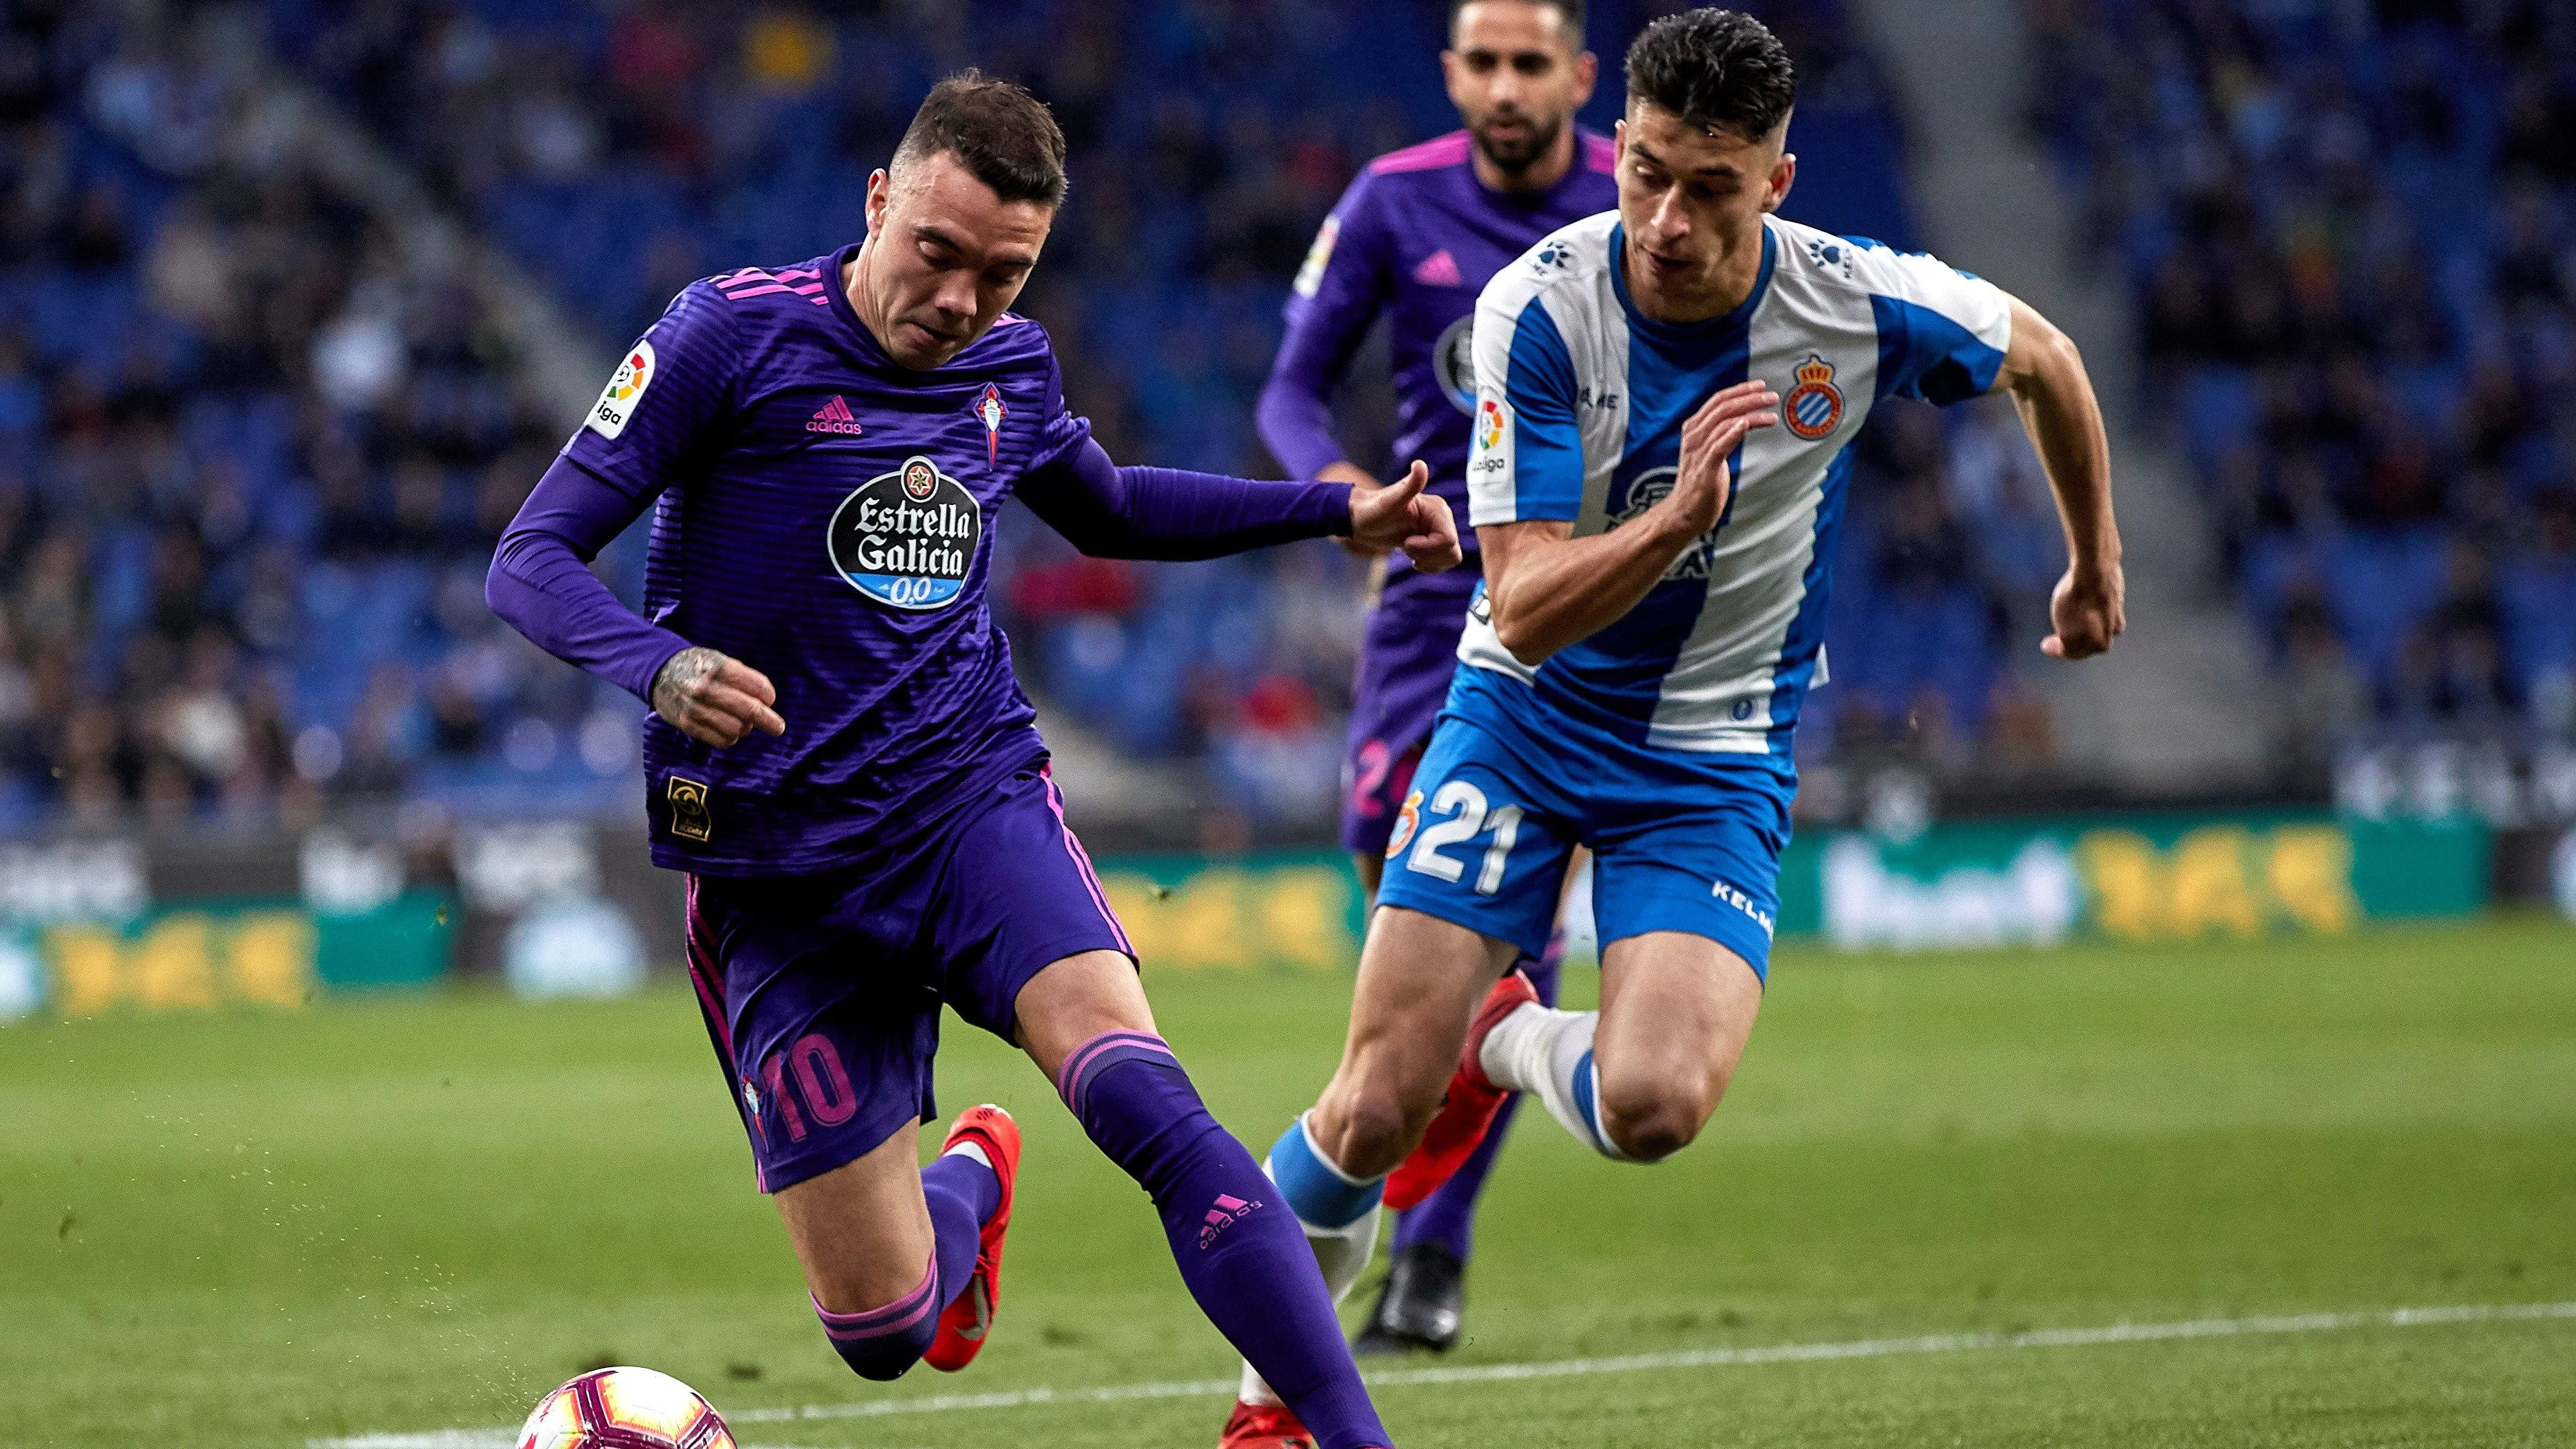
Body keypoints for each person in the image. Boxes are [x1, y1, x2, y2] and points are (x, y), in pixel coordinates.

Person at [485, 72, 1463, 1449]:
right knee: (885, 1331)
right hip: (775, 876)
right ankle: (970, 1183)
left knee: (1145, 1099)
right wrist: (663, 663)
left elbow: (1110, 508)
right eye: (935, 254)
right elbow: (526, 557)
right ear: (877, 202)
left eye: (1001, 276)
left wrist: (1332, 511)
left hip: (968, 807)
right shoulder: (726, 336)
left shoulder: (1010, 366)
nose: (958, 300)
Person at [1222, 13, 2125, 1443]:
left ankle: (1503, 1040)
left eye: (1707, 184)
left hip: (1707, 758)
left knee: (1652, 1105)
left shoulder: (1854, 298)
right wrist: (1676, 518)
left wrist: (2092, 563)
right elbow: (1516, 607)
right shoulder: (1539, 302)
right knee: (1371, 1105)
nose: (1663, 216)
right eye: (1643, 172)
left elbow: (2047, 359)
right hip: (1518, 721)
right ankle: (1268, 1406)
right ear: (1619, 145)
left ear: (1772, 182)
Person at [1251, 0, 1617, 1372]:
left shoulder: (1640, 205)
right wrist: (1344, 496)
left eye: (1534, 63)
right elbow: (1290, 391)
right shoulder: (1390, 203)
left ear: (1579, 76)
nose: (1509, 86)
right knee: (1399, 898)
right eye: (1486, 63)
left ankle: (1434, 1248)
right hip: (1425, 599)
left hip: (1588, 600)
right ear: (1452, 73)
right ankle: (1433, 1180)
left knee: (1499, 928)